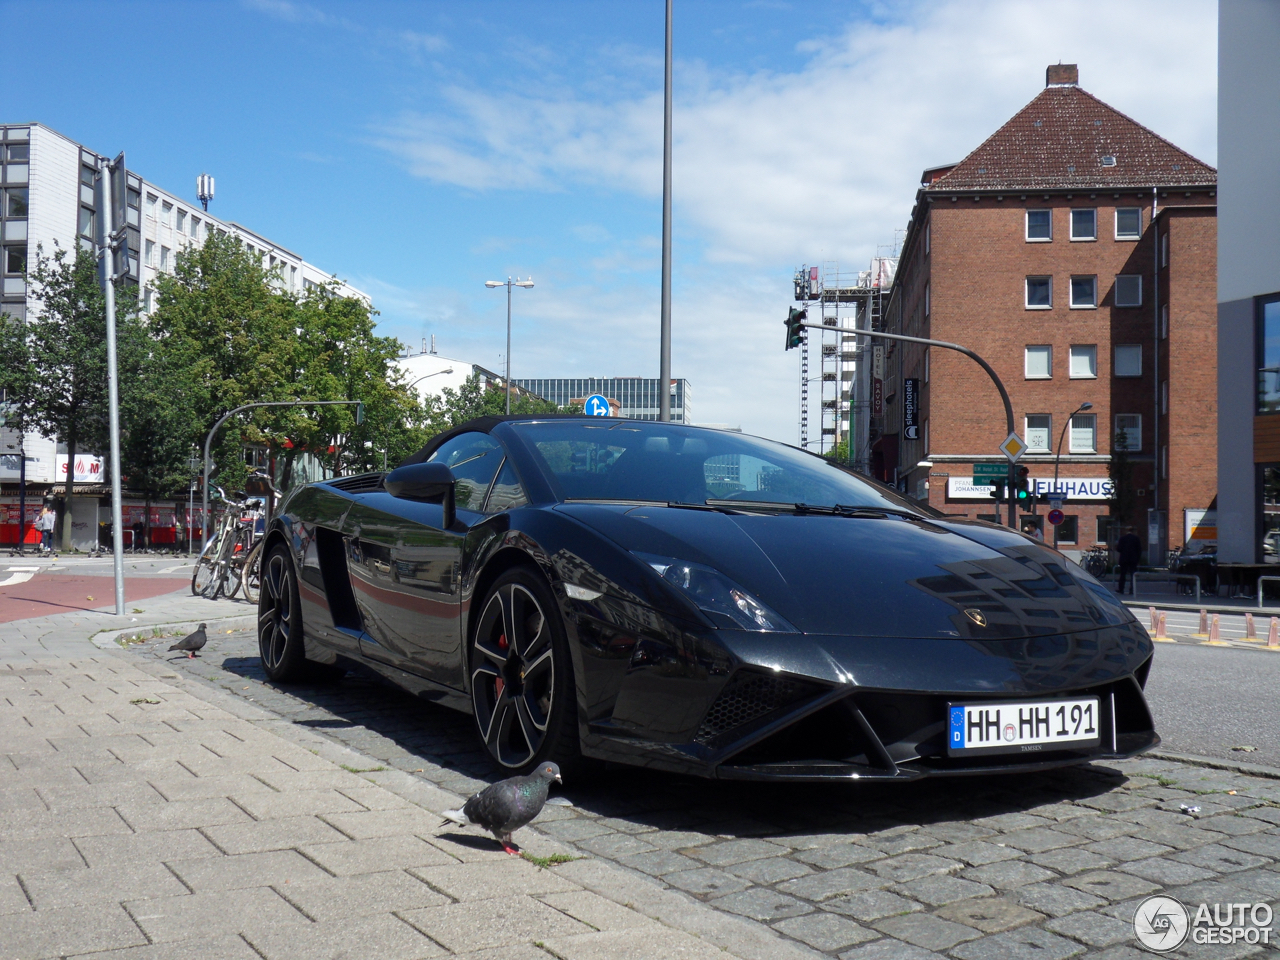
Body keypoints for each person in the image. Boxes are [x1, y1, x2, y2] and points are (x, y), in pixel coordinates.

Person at [1116, 526, 1143, 595]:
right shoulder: (1136, 538)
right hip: (1133, 559)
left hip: (1124, 559)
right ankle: (1132, 590)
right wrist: (1138, 559)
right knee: (1132, 575)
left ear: (1126, 531)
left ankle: (1121, 589)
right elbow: (1139, 550)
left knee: (1122, 574)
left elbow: (1118, 549)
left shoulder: (1122, 538)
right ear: (1133, 531)